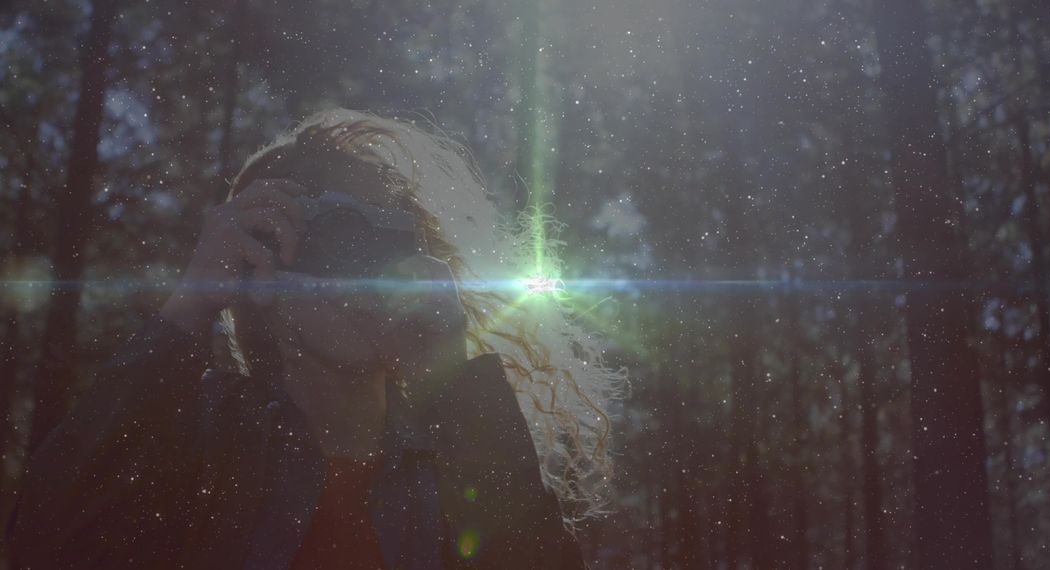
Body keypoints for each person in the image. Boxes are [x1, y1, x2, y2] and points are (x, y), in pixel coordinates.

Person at [9, 109, 623, 569]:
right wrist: (188, 310)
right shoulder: (195, 445)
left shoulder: (454, 463)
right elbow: (41, 541)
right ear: (258, 273)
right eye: (331, 238)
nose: (357, 273)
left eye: (379, 241)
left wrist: (452, 378)